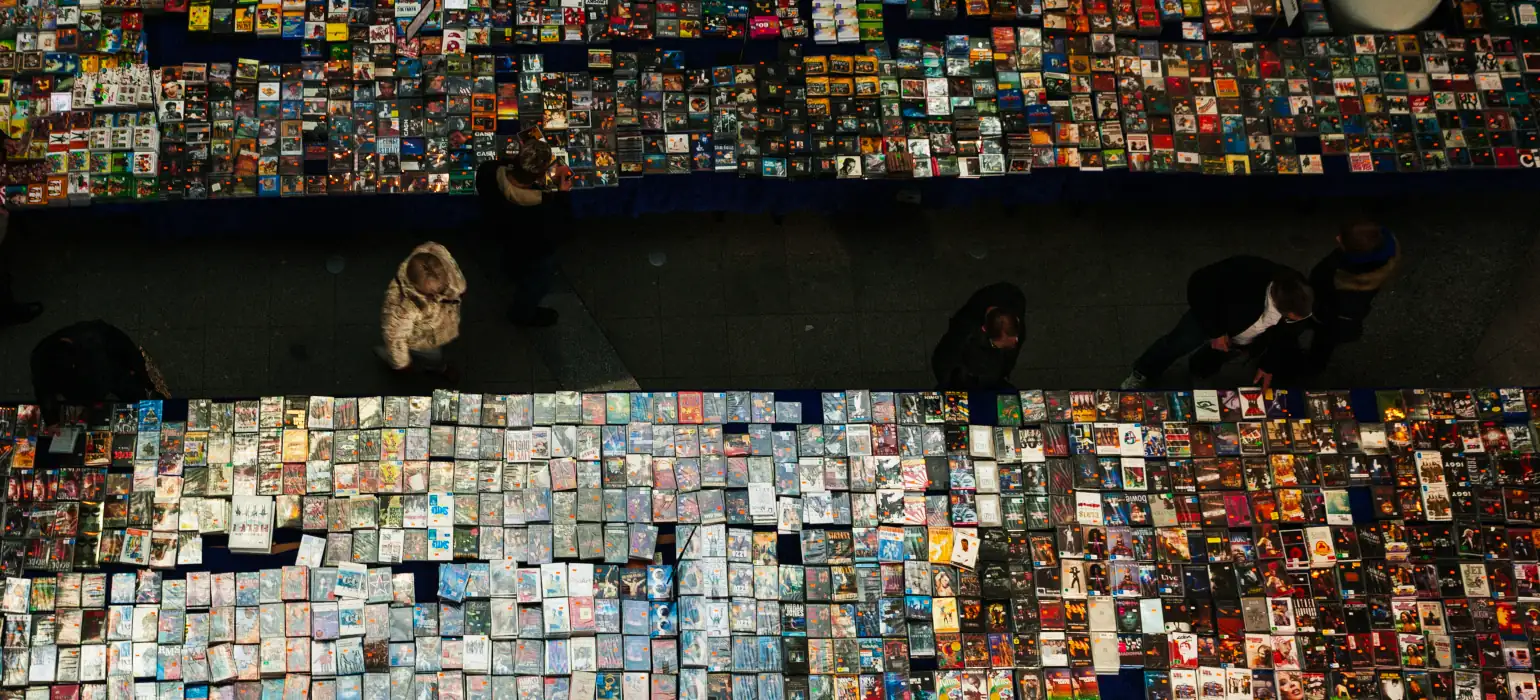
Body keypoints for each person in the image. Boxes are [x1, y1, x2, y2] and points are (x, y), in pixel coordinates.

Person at [1121, 256, 1314, 390]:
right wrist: (1216, 331)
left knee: (1218, 356)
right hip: (1210, 319)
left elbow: (1287, 337)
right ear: (1279, 305)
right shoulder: (1247, 270)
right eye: (1291, 318)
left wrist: (1268, 364)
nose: (1296, 323)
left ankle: (1200, 371)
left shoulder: (1302, 300)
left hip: (1246, 338)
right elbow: (1199, 284)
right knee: (1177, 343)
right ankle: (1143, 372)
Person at [475, 138, 572, 327]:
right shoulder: (544, 206)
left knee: (511, 261)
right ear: (539, 176)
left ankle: (511, 272)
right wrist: (563, 195)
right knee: (536, 282)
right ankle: (523, 315)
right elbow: (561, 229)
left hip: (502, 234)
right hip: (533, 251)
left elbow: (496, 169)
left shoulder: (489, 171)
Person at [1298, 220, 1400, 374]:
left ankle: (1313, 367)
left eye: (1343, 240)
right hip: (1332, 310)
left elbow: (1330, 311)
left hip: (1330, 317)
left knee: (1323, 343)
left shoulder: (1343, 283)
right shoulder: (1382, 251)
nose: (1337, 238)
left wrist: (1314, 314)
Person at [31, 320, 169, 415]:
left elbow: (126, 349)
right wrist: (51, 419)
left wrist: (137, 371)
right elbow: (42, 389)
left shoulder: (95, 336)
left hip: (114, 371)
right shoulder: (43, 360)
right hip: (96, 381)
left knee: (134, 391)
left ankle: (143, 400)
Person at [378, 242, 465, 374]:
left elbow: (452, 270)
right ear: (417, 288)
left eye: (443, 285)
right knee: (433, 356)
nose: (442, 292)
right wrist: (401, 363)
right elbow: (394, 336)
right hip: (422, 338)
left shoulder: (438, 257)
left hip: (440, 322)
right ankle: (437, 368)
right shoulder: (402, 307)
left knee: (442, 350)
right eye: (434, 292)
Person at [930, 282, 1026, 390]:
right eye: (1002, 346)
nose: (1014, 343)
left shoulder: (1012, 300)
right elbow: (945, 365)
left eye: (1015, 339)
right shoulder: (965, 336)